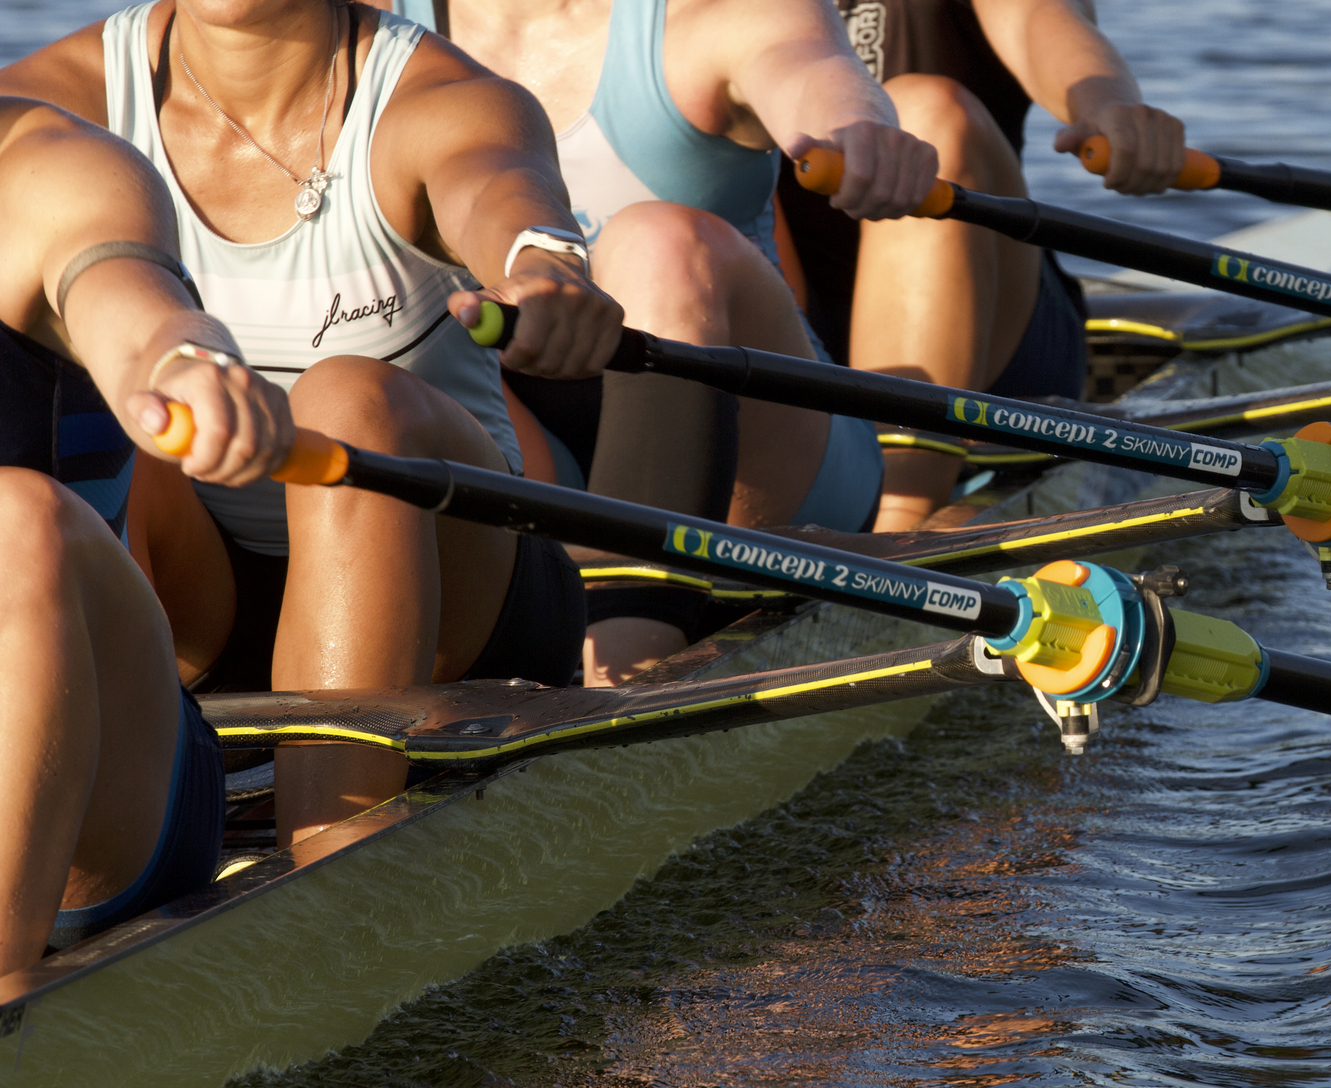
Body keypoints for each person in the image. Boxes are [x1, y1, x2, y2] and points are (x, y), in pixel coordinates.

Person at [0, 0, 625, 845]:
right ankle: (110, 809)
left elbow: (500, 185)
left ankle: (329, 858)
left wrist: (545, 266)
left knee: (343, 401)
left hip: (458, 591)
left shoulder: (439, 97)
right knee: (118, 412)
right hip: (202, 599)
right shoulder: (51, 106)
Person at [391, 0, 941, 685]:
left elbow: (810, 66)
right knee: (408, 327)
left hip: (758, 439)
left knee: (653, 240)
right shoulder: (372, 32)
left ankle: (623, 651)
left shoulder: (703, 13)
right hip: (528, 442)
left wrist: (860, 130)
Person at [0, 96, 295, 973]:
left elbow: (134, 304)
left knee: (21, 518)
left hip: (109, 792)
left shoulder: (51, 174)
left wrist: (187, 362)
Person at [773, 0, 1189, 532]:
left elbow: (1038, 18)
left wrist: (1108, 103)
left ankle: (901, 520)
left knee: (926, 112)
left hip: (997, 346)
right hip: (789, 329)